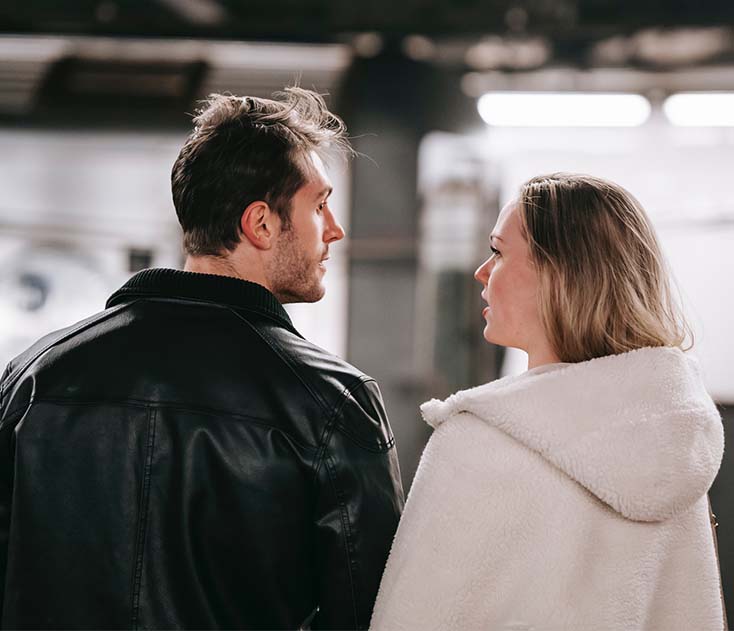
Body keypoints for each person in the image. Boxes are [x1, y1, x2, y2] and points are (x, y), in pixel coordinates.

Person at [0, 88, 404, 630]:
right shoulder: (330, 402)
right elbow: (370, 613)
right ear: (260, 224)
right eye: (319, 205)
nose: (334, 229)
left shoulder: (33, 376)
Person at [371, 173, 725, 630]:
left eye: (498, 252)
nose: (481, 271)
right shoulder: (674, 444)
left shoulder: (477, 443)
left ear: (559, 274)